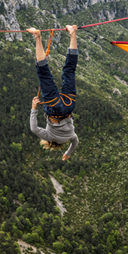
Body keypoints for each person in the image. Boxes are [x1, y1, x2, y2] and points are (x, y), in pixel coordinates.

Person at [27, 25, 79, 161]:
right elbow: (34, 129)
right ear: (49, 143)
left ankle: (73, 34)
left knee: (70, 70)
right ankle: (37, 37)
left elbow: (75, 143)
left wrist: (67, 154)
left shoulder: (71, 136)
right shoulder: (49, 137)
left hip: (69, 106)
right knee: (44, 74)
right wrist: (34, 108)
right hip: (54, 109)